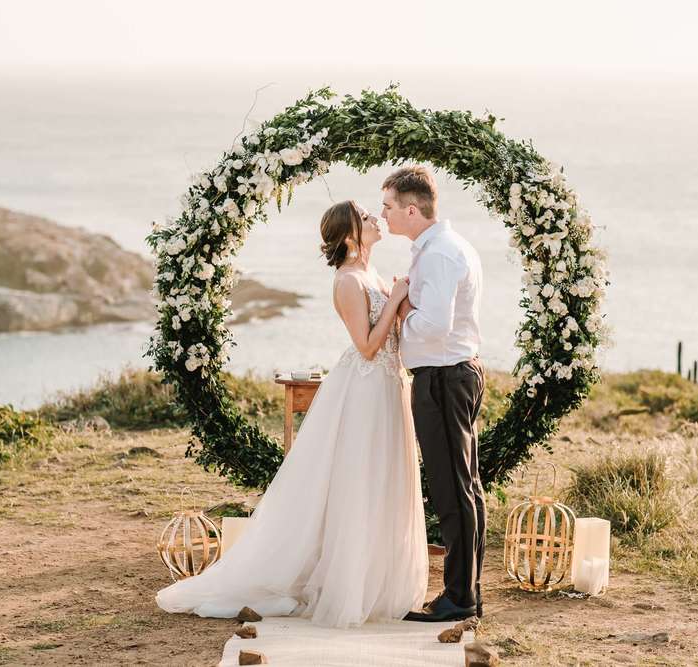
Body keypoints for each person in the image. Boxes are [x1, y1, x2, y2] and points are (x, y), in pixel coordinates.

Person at [156, 200, 429, 628]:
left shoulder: (372, 274)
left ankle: (378, 582)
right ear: (349, 234)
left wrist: (401, 304)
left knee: (384, 478)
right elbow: (367, 346)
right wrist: (395, 299)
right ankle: (346, 585)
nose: (376, 216)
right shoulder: (347, 282)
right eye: (365, 214)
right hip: (365, 390)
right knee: (359, 480)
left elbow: (392, 337)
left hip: (390, 387)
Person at [381, 166, 486, 622]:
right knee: (463, 487)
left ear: (411, 208)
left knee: (453, 489)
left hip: (444, 379)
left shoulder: (440, 253)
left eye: (388, 207)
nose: (382, 215)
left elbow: (434, 323)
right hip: (449, 375)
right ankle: (466, 593)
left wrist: (400, 307)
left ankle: (459, 599)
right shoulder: (439, 247)